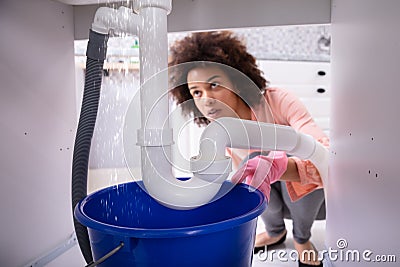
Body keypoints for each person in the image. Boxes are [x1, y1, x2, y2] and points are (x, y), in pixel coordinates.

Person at [169, 31, 328, 267]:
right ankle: (275, 231)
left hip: (314, 198)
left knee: (284, 154)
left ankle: (302, 237)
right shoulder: (218, 130)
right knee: (250, 166)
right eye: (197, 92)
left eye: (214, 84)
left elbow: (325, 155)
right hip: (274, 201)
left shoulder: (279, 101)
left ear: (239, 80)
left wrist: (279, 165)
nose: (206, 99)